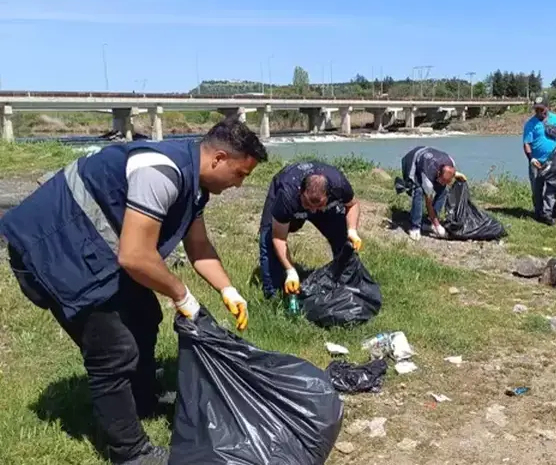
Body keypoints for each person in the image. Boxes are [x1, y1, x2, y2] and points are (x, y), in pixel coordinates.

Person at [0, 117, 268, 465]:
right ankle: (129, 452)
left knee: (144, 316)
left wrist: (228, 289)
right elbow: (135, 256)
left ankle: (142, 400)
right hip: (53, 247)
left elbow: (198, 246)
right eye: (240, 175)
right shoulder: (160, 172)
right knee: (113, 349)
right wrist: (181, 294)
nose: (238, 186)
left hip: (93, 246)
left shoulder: (194, 184)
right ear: (218, 159)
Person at [258, 161, 362, 299]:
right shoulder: (286, 195)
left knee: (343, 238)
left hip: (324, 207)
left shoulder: (339, 185)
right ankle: (274, 294)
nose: (311, 210)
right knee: (268, 238)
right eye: (307, 204)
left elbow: (353, 205)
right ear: (300, 191)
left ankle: (346, 284)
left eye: (317, 205)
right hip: (290, 198)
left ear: (329, 195)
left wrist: (352, 231)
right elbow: (279, 238)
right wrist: (291, 271)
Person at [396, 146, 466, 240]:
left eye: (447, 181)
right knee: (418, 191)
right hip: (412, 160)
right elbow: (428, 203)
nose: (443, 183)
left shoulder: (451, 162)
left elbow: (449, 173)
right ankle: (415, 226)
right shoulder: (427, 179)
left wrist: (456, 176)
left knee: (443, 190)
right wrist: (437, 225)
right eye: (442, 180)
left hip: (429, 157)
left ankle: (428, 222)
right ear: (438, 174)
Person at [522, 95, 556, 226]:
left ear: (547, 108)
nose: (538, 112)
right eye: (536, 109)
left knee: (552, 187)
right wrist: (531, 158)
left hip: (553, 161)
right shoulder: (530, 124)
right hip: (536, 162)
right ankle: (538, 212)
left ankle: (547, 213)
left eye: (541, 109)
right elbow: (526, 143)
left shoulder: (555, 119)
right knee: (537, 189)